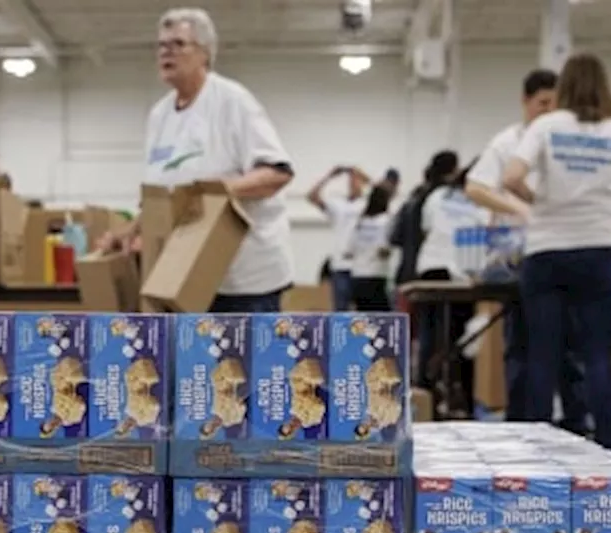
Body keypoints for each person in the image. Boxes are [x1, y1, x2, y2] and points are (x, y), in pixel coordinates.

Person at [502, 53, 611, 452]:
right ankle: (608, 444)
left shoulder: (546, 126)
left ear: (564, 86)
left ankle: (535, 448)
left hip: (546, 251)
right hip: (598, 252)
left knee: (543, 355)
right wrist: (603, 206)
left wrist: (539, 202)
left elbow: (510, 178)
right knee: (598, 356)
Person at [97, 7, 294, 313]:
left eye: (177, 44)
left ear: (204, 53)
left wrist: (215, 191)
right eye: (161, 45)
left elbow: (277, 173)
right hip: (186, 275)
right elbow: (163, 195)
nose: (166, 52)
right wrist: (132, 228)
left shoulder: (232, 101)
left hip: (245, 277)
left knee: (242, 360)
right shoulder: (159, 115)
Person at [467, 69, 587, 429]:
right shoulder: (507, 143)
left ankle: (577, 426)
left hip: (565, 251)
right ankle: (522, 428)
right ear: (525, 101)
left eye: (555, 104)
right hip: (519, 258)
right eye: (542, 104)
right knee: (522, 346)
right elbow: (476, 187)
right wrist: (519, 208)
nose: (548, 111)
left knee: (570, 348)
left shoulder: (568, 139)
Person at [414, 161, 490, 414]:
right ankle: (464, 401)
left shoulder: (437, 196)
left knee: (429, 337)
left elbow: (425, 229)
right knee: (461, 342)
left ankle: (425, 401)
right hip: (461, 274)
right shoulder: (482, 202)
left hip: (430, 268)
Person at [390, 151, 459, 287]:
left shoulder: (413, 198)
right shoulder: (447, 201)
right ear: (452, 171)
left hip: (408, 269)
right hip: (438, 269)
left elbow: (395, 237)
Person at [306, 165, 370, 311]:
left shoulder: (368, 205)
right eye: (351, 180)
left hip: (363, 268)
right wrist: (329, 176)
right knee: (340, 311)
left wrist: (367, 178)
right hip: (341, 266)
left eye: (357, 180)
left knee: (365, 313)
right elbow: (311, 196)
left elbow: (385, 194)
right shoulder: (338, 206)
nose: (353, 183)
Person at [344, 184, 394, 311]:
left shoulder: (360, 222)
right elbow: (384, 250)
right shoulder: (386, 221)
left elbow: (349, 251)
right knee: (382, 318)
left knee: (363, 318)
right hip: (376, 274)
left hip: (358, 275)